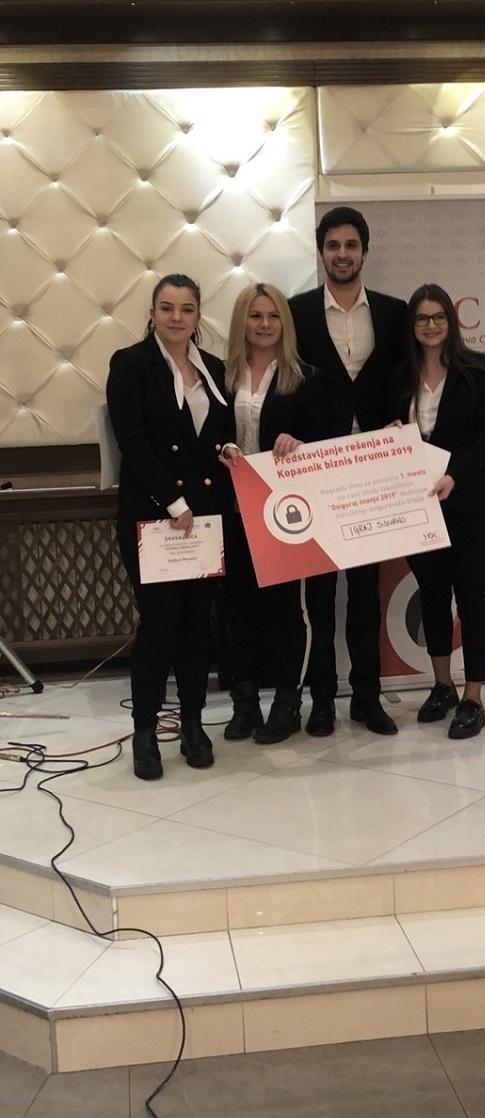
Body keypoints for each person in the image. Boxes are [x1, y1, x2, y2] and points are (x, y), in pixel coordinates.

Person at [107, 273, 233, 780]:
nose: (176, 317)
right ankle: (145, 731)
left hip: (202, 520)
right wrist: (173, 501)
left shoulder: (215, 368)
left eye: (186, 309)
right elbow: (132, 442)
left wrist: (227, 449)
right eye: (167, 308)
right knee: (159, 624)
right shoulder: (130, 364)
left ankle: (194, 724)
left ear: (198, 315)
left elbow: (215, 434)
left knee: (197, 625)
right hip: (153, 516)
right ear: (153, 313)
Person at [289, 205, 406, 737]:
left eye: (351, 245)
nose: (342, 254)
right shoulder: (295, 313)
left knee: (365, 594)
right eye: (333, 245)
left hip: (373, 474)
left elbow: (403, 379)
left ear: (365, 252)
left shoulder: (394, 312)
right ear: (321, 252)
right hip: (317, 470)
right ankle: (320, 700)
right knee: (318, 596)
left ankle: (366, 697)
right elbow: (286, 384)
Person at [389, 283, 485, 739]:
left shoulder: (477, 370)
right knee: (432, 596)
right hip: (418, 508)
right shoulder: (401, 377)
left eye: (438, 317)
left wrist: (454, 474)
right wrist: (392, 432)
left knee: (472, 596)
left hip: (469, 505)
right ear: (412, 325)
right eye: (422, 318)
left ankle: (473, 697)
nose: (431, 325)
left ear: (450, 322)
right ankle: (442, 686)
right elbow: (387, 434)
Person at [221, 282, 317, 744]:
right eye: (256, 316)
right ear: (242, 322)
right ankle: (244, 705)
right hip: (232, 508)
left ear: (285, 322)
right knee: (236, 608)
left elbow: (324, 440)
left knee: (284, 610)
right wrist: (221, 448)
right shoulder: (220, 376)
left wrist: (300, 443)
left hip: (283, 511)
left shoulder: (305, 377)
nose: (264, 324)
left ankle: (286, 703)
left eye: (273, 316)